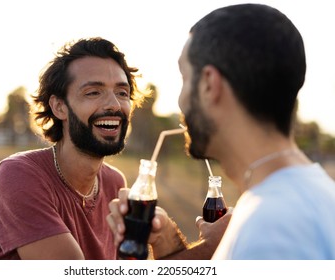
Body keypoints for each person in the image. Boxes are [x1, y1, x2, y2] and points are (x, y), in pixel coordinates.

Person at [107, 3, 335, 259]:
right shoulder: (308, 198)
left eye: (184, 78)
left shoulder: (269, 230)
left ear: (209, 85)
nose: (180, 102)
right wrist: (167, 240)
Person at [0, 37, 147, 259]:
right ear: (59, 107)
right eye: (93, 92)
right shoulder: (19, 175)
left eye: (122, 93)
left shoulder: (115, 184)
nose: (114, 105)